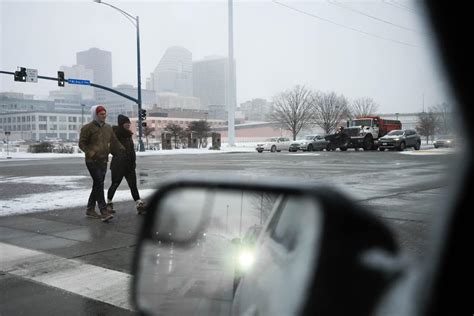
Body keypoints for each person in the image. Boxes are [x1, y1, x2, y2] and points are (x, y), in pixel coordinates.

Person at [79, 105, 124, 222]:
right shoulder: (87, 128)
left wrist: (122, 150)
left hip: (103, 160)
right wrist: (90, 152)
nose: (104, 116)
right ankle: (103, 211)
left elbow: (114, 141)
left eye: (105, 114)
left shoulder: (108, 128)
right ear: (95, 115)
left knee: (97, 184)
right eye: (101, 114)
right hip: (92, 161)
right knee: (99, 183)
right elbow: (82, 144)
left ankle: (90, 209)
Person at [107, 114, 146, 215]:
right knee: (115, 184)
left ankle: (139, 204)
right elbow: (111, 149)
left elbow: (131, 150)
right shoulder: (115, 134)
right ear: (121, 124)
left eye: (129, 123)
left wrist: (133, 161)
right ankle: (109, 203)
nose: (128, 124)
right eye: (126, 123)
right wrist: (120, 156)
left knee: (133, 186)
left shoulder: (128, 135)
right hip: (118, 165)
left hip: (129, 165)